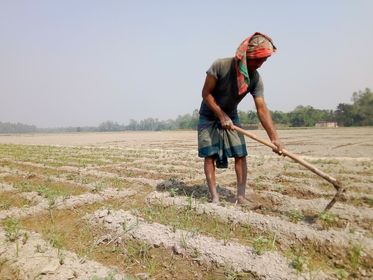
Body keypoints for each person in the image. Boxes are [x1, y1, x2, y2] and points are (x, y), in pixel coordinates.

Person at [198, 32, 284, 205]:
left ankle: (241, 196)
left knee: (241, 154)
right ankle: (214, 197)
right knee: (210, 155)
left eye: (264, 60)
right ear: (246, 56)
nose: (261, 64)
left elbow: (261, 108)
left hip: (231, 114)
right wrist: (220, 115)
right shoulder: (220, 65)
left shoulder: (254, 78)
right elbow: (205, 94)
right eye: (258, 60)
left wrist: (274, 139)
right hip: (209, 114)